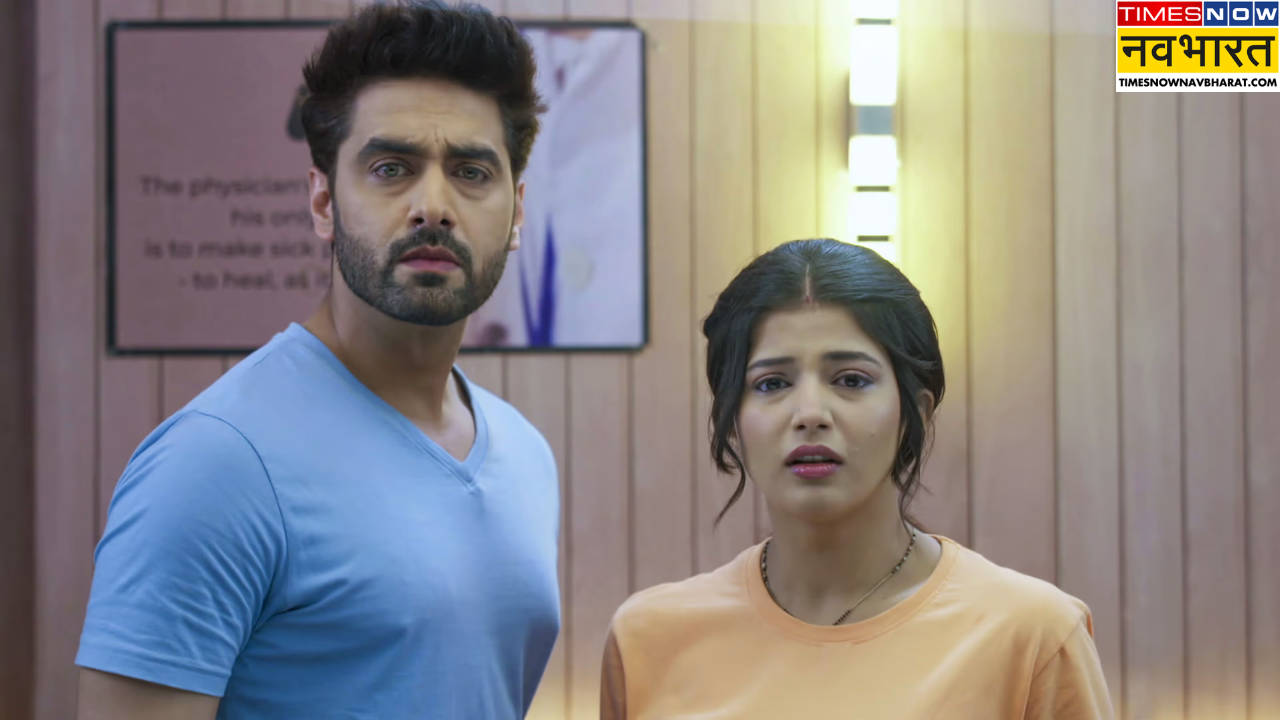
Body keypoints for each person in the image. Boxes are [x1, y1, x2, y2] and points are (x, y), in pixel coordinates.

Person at [76, 3, 561, 718]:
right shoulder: (216, 463)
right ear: (324, 201)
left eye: (470, 171)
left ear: (516, 212)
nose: (433, 205)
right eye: (391, 168)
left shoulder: (525, 454)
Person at [600, 239, 1114, 719]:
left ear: (915, 411)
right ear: (733, 418)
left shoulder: (1033, 635)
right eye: (772, 383)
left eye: (851, 379)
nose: (810, 413)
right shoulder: (649, 638)